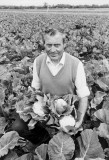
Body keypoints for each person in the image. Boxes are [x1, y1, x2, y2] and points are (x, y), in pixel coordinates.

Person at [32, 28, 90, 129]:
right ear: (44, 45)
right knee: (18, 126)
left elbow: (83, 96)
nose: (53, 50)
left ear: (64, 45)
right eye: (49, 45)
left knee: (66, 129)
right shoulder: (38, 61)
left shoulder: (76, 64)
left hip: (67, 111)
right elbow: (35, 90)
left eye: (57, 45)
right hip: (47, 110)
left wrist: (79, 121)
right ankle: (42, 136)